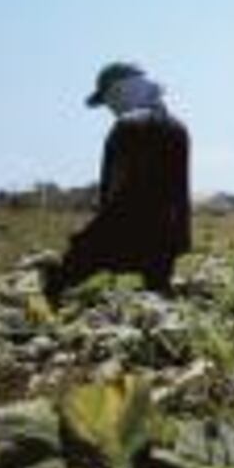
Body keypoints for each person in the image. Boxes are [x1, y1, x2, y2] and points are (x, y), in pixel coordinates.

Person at [45, 61, 192, 300]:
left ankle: (52, 293)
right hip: (169, 241)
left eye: (109, 99)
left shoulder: (127, 125)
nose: (110, 108)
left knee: (60, 279)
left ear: (120, 91)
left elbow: (117, 192)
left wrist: (87, 239)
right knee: (157, 290)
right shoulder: (178, 127)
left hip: (125, 230)